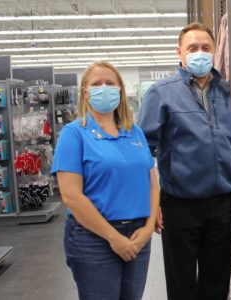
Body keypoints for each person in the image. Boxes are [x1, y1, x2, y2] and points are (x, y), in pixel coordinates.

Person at [137, 22, 231, 300]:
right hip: (179, 204)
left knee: (216, 282)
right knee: (181, 284)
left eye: (206, 47)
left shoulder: (229, 93)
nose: (200, 53)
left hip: (220, 204)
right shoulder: (161, 93)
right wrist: (152, 202)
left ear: (215, 51)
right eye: (192, 48)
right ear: (179, 53)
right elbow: (144, 150)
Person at [52, 61, 160, 300]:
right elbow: (72, 196)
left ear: (120, 90)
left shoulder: (134, 132)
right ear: (85, 92)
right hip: (93, 238)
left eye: (110, 83)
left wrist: (149, 227)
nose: (104, 88)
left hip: (138, 234)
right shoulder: (74, 134)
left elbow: (152, 182)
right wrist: (113, 238)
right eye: (97, 84)